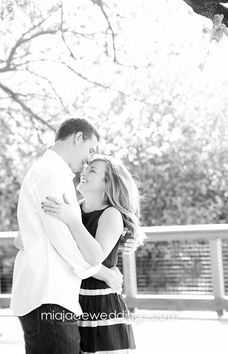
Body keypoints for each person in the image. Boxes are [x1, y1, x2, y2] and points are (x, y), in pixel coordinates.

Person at [11, 119, 123, 354]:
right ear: (78, 137)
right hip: (49, 297)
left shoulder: (51, 172)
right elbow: (62, 240)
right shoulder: (51, 173)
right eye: (90, 150)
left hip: (51, 297)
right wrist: (101, 270)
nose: (87, 160)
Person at [42, 154, 143, 353]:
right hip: (72, 297)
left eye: (93, 170)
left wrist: (72, 220)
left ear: (108, 183)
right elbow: (62, 250)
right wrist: (108, 273)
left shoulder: (111, 214)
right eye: (87, 167)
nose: (84, 172)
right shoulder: (74, 209)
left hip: (100, 303)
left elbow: (89, 258)